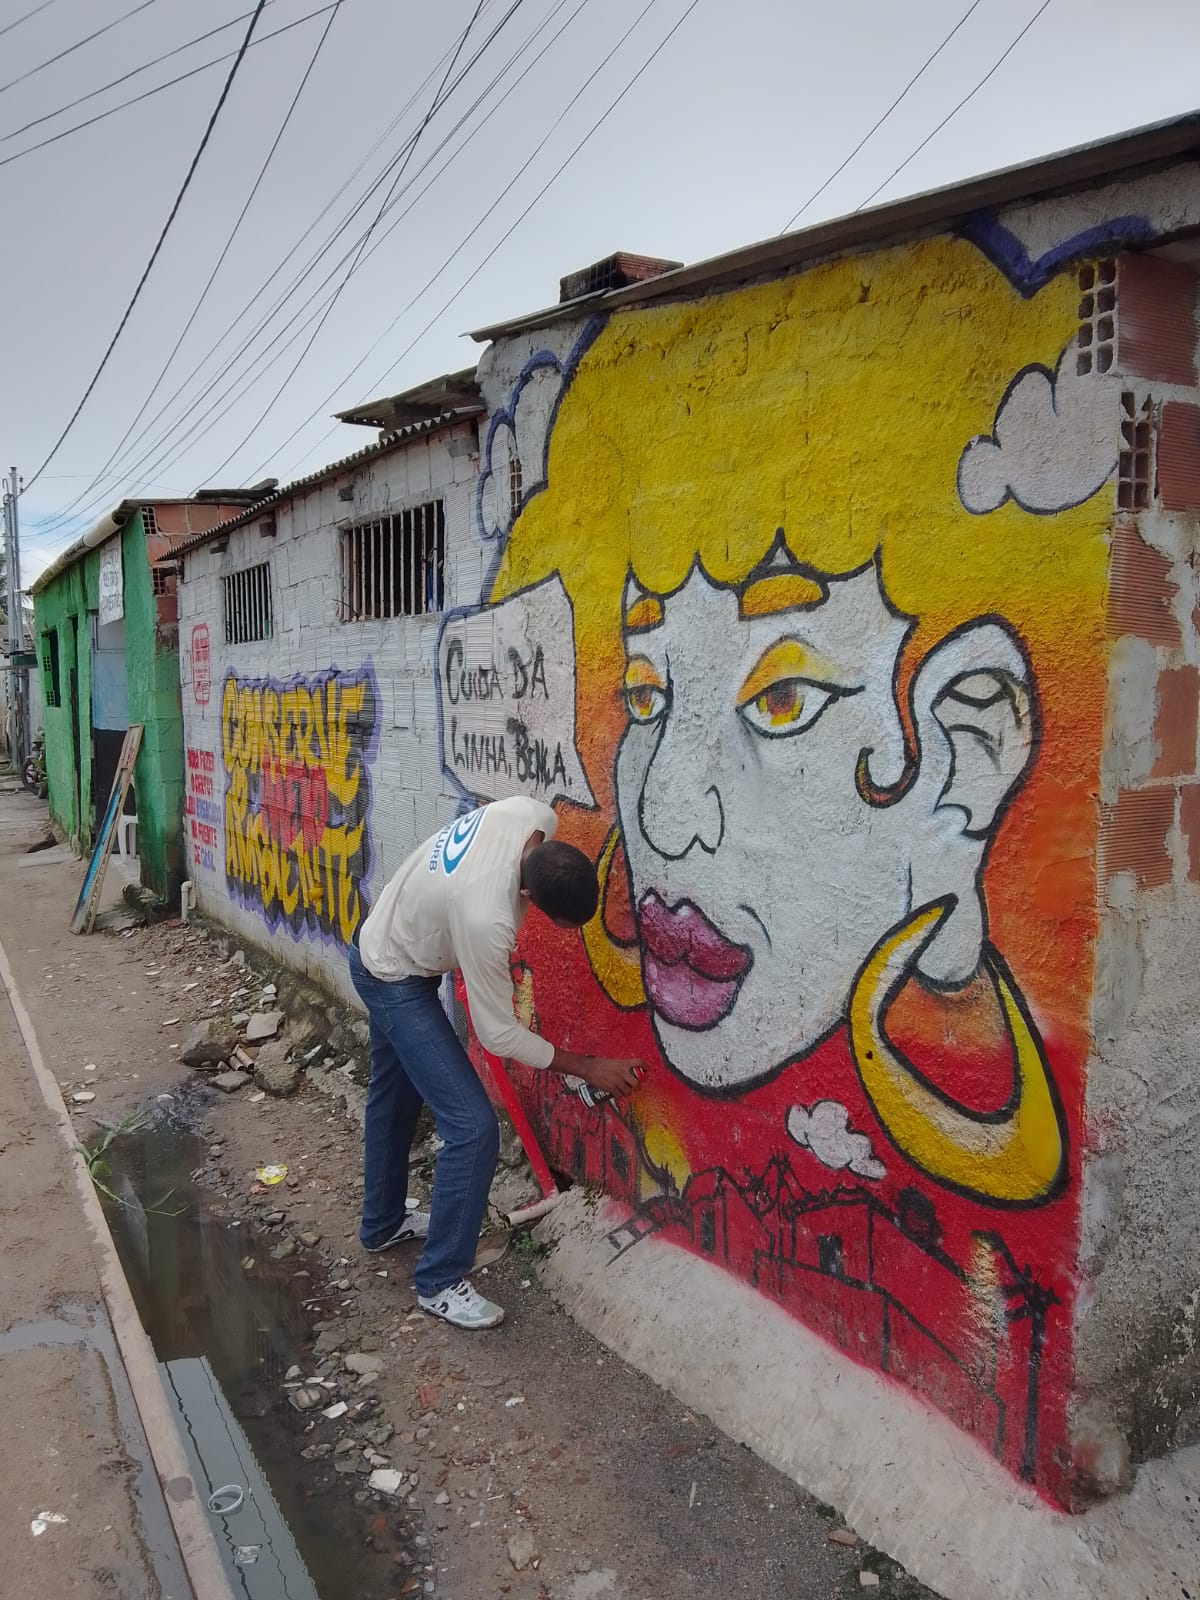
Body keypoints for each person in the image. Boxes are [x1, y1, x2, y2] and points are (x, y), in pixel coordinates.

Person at [349, 795, 644, 1330]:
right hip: (391, 973)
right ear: (528, 893)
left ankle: (382, 1225)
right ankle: (439, 1281)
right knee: (473, 1128)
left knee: (395, 1099)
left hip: (388, 938)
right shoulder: (488, 918)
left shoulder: (531, 814)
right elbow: (499, 1035)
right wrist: (587, 1066)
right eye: (551, 920)